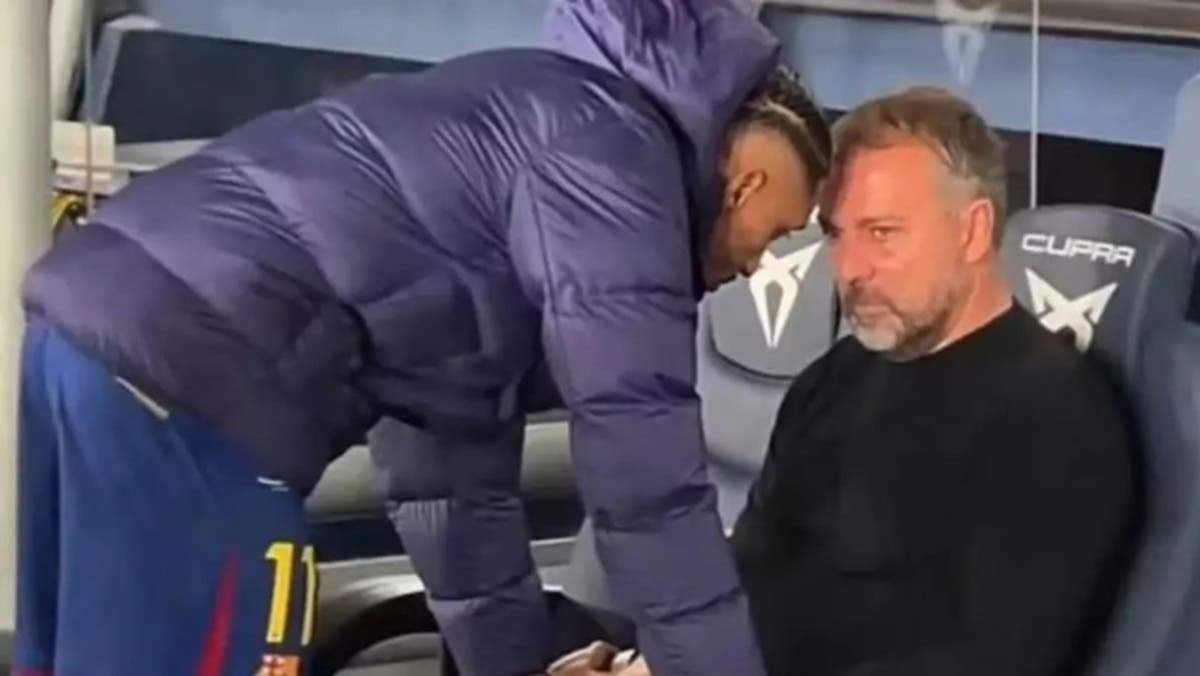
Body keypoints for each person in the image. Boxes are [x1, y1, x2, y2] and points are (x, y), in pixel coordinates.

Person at [13, 2, 833, 676]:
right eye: (774, 232)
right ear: (746, 180)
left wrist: (522, 668)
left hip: (91, 340)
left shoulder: (539, 118)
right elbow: (646, 484)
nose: (757, 265)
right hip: (194, 382)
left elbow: (448, 479)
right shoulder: (615, 165)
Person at [728, 86, 1139, 675]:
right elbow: (749, 567)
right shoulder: (832, 379)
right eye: (837, 234)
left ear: (973, 231)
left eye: (882, 232)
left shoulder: (1053, 420)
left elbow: (991, 662)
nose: (850, 269)